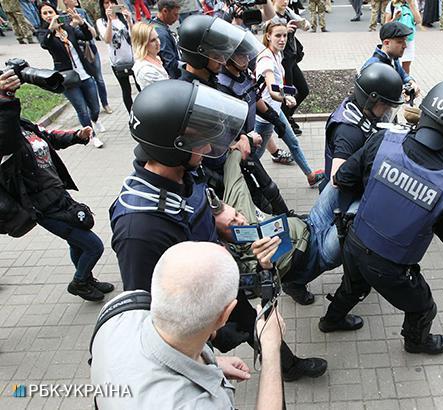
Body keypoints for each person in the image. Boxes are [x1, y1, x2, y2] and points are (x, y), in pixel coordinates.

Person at [109, 79, 328, 382]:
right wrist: (203, 360)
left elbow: (194, 206)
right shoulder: (141, 228)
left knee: (252, 320)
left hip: (216, 278)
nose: (210, 147)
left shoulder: (182, 171)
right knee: (244, 325)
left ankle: (286, 366)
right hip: (194, 307)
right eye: (200, 141)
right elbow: (152, 317)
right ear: (175, 147)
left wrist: (218, 217)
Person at [318, 80, 443, 355]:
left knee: (354, 286)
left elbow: (342, 178)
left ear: (425, 112)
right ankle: (416, 343)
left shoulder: (383, 140)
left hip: (355, 242)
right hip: (391, 265)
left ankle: (330, 320)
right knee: (423, 306)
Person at [91, 241, 285, 409]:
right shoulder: (195, 405)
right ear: (224, 316)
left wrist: (207, 363)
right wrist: (270, 350)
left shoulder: (121, 310)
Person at [0, 70, 113, 302]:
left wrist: (77, 136)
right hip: (41, 207)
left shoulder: (22, 125)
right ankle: (79, 282)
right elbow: (7, 135)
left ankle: (87, 279)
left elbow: (47, 137)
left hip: (59, 195)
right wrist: (6, 99)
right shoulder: (4, 140)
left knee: (78, 240)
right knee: (94, 246)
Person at [213, 149, 357, 305]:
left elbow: (232, 171)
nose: (240, 220)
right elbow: (261, 291)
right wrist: (264, 267)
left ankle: (293, 285)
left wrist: (241, 145)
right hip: (318, 254)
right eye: (231, 224)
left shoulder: (235, 207)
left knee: (342, 177)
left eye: (235, 214)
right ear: (222, 238)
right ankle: (294, 284)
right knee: (359, 211)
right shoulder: (238, 264)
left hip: (311, 222)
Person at [177, 15, 290, 215]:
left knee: (265, 194)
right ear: (199, 55)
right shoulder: (189, 94)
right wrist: (237, 142)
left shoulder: (209, 82)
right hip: (215, 171)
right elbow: (201, 144)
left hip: (234, 158)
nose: (223, 59)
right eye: (217, 54)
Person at [254, 21, 325, 188]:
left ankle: (310, 176)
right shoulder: (266, 59)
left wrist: (287, 91)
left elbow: (275, 85)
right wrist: (284, 98)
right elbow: (272, 88)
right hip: (266, 115)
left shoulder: (277, 54)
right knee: (254, 156)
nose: (282, 39)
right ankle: (244, 179)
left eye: (284, 35)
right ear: (268, 36)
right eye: (278, 35)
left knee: (292, 142)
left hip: (274, 111)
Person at [324, 62, 404, 184]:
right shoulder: (349, 132)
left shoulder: (357, 108)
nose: (388, 110)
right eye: (385, 104)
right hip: (345, 199)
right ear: (370, 99)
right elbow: (336, 180)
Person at [37, 3, 105, 147]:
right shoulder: (44, 33)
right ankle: (92, 136)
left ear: (56, 12)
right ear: (42, 17)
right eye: (45, 13)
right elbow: (45, 44)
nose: (49, 15)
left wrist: (81, 23)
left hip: (84, 74)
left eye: (50, 12)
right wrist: (51, 29)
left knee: (95, 107)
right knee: (82, 110)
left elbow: (86, 36)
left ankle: (96, 119)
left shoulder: (68, 28)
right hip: (67, 78)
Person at [60, 0, 113, 115]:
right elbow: (63, 36)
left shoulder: (81, 12)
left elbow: (93, 34)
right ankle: (92, 107)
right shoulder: (61, 17)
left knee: (99, 78)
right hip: (77, 53)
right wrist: (72, 25)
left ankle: (105, 103)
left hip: (90, 49)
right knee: (86, 80)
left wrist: (81, 21)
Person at [269, 0, 311, 135]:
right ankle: (283, 123)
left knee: (303, 90)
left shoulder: (288, 12)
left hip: (292, 59)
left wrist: (304, 24)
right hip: (281, 61)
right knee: (287, 93)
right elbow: (265, 30)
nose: (285, 1)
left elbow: (305, 24)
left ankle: (287, 117)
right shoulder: (272, 16)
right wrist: (284, 30)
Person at [97, 0, 142, 113]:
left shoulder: (123, 18)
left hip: (133, 58)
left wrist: (129, 21)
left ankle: (144, 111)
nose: (110, 5)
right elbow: (107, 39)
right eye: (106, 3)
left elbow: (134, 38)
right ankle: (132, 114)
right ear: (102, 6)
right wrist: (109, 21)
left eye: (112, 2)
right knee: (126, 90)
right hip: (118, 62)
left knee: (140, 86)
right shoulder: (101, 21)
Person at [362, 21, 420, 96]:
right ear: (387, 43)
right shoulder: (373, 67)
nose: (405, 46)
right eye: (400, 42)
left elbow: (403, 75)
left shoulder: (393, 58)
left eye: (405, 41)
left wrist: (411, 83)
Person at [384, 0, 421, 73]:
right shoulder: (392, 4)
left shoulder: (413, 3)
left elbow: (418, 21)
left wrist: (411, 5)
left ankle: (405, 82)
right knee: (392, 64)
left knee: (406, 65)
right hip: (395, 40)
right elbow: (386, 25)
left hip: (408, 39)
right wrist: (395, 18)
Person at [132, 21, 169, 88]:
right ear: (142, 44)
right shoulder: (146, 70)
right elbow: (164, 90)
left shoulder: (155, 58)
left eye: (157, 37)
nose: (158, 42)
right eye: (152, 40)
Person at [151, 0, 181, 79]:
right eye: (175, 14)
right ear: (165, 11)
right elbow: (170, 63)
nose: (177, 18)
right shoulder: (161, 34)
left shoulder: (153, 23)